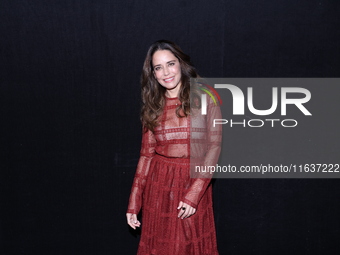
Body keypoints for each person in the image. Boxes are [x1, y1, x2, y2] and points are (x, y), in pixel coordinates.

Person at [126, 40, 222, 255]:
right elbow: (146, 155)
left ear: (181, 64)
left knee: (188, 246)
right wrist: (134, 201)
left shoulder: (205, 97)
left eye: (170, 64)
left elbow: (214, 147)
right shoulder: (153, 105)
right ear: (152, 74)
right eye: (158, 68)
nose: (166, 72)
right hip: (159, 185)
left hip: (193, 181)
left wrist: (194, 194)